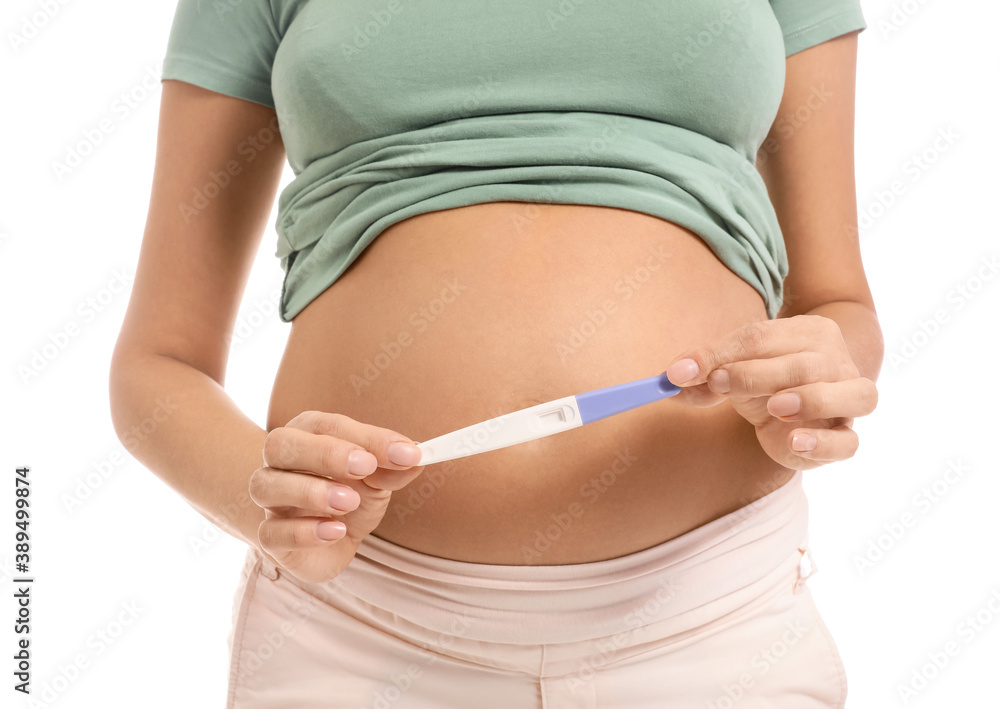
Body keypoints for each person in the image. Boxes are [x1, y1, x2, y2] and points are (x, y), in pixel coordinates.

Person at [109, 1, 882, 706]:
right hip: (363, 633)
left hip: (710, 621)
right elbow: (157, 362)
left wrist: (818, 379)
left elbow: (838, 302)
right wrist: (275, 501)